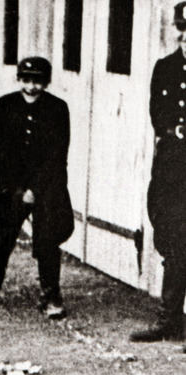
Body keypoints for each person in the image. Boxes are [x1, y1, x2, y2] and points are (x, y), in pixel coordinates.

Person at [0, 57, 73, 320]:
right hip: (11, 187)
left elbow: (57, 155)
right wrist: (17, 188)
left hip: (47, 188)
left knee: (48, 240)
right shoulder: (6, 105)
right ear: (19, 79)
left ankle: (51, 296)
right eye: (26, 80)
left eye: (37, 81)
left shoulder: (58, 109)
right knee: (0, 237)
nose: (31, 87)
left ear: (46, 82)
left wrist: (36, 189)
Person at [130, 2, 186, 343]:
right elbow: (158, 116)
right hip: (173, 165)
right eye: (185, 30)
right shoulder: (165, 68)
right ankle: (170, 322)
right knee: (172, 236)